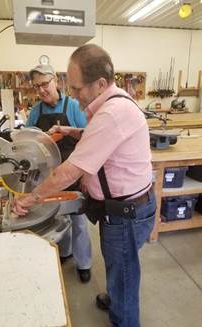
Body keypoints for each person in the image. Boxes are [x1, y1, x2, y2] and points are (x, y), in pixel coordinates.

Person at [13, 44, 156, 327]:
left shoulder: (111, 114)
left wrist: (30, 199)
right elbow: (99, 137)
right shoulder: (111, 103)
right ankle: (116, 295)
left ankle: (123, 316)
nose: (74, 96)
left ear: (100, 83)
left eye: (78, 89)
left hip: (125, 213)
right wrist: (71, 131)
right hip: (121, 208)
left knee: (125, 275)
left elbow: (68, 172)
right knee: (120, 268)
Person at [25, 63, 92, 283]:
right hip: (49, 178)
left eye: (45, 83)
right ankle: (65, 253)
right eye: (37, 87)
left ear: (55, 80)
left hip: (73, 174)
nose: (42, 90)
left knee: (80, 222)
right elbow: (27, 145)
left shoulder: (73, 106)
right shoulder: (36, 112)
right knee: (58, 217)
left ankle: (84, 263)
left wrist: (85, 175)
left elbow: (87, 138)